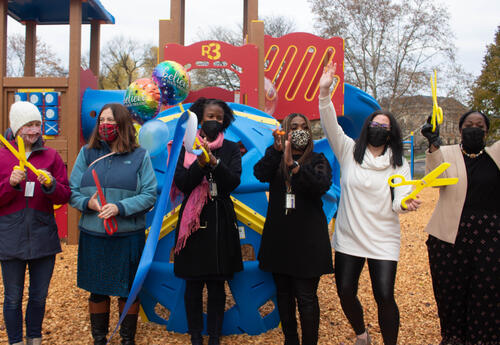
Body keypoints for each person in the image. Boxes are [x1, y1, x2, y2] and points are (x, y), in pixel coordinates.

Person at [319, 62, 421, 345]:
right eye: (374, 124)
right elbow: (329, 122)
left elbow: (399, 199)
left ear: (391, 134)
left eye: (384, 127)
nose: (378, 128)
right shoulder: (349, 150)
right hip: (349, 237)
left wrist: (406, 203)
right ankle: (362, 335)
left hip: (383, 238)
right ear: (367, 128)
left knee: (385, 296)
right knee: (345, 290)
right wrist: (324, 92)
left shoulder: (398, 164)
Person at [69, 103, 157, 345]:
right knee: (96, 289)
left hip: (127, 235)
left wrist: (120, 207)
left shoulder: (140, 155)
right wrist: (89, 203)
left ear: (122, 124)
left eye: (110, 120)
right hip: (94, 234)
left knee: (128, 289)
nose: (105, 125)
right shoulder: (86, 153)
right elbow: (72, 190)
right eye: (102, 120)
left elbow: (150, 194)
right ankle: (99, 339)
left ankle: (127, 339)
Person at [254, 112, 334, 345]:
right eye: (293, 126)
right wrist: (277, 151)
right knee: (284, 296)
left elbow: (321, 185)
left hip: (308, 240)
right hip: (280, 238)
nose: (299, 130)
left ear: (309, 133)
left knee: (306, 297)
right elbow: (259, 173)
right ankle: (291, 340)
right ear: (285, 131)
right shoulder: (277, 157)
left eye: (303, 127)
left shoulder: (318, 159)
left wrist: (295, 167)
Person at [421, 110, 499, 345]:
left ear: (487, 131)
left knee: (487, 291)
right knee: (451, 291)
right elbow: (434, 180)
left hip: (491, 237)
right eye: (468, 124)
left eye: (479, 125)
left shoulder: (496, 154)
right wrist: (433, 144)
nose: (474, 128)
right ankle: (454, 336)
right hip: (449, 235)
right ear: (460, 129)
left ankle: (483, 339)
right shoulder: (447, 153)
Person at [172, 98, 243, 345]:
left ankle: (214, 337)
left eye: (219, 118)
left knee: (216, 285)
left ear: (225, 121)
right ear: (199, 118)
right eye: (209, 116)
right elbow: (182, 183)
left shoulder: (233, 149)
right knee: (192, 285)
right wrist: (202, 164)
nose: (214, 121)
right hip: (192, 224)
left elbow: (232, 182)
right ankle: (195, 336)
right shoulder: (184, 148)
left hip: (220, 220)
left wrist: (215, 163)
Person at [0, 101, 71, 345]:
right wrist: (10, 185)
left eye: (37, 125)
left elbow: (65, 194)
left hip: (43, 237)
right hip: (10, 237)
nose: (34, 131)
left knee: (39, 297)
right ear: (16, 127)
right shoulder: (2, 155)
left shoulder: (50, 156)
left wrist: (51, 185)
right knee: (12, 297)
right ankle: (15, 341)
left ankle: (34, 339)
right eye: (28, 125)